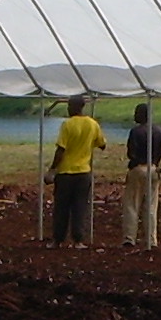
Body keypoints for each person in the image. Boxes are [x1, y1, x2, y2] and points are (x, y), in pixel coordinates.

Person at [49, 96, 107, 246]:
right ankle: (78, 240)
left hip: (66, 173)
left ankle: (58, 240)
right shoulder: (93, 124)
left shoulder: (67, 125)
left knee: (62, 208)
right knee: (80, 207)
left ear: (75, 107)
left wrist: (52, 169)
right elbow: (102, 144)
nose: (68, 109)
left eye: (69, 106)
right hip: (83, 172)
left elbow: (61, 149)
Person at [122, 102, 161, 249]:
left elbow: (131, 153)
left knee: (132, 205)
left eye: (136, 113)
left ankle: (129, 238)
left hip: (138, 169)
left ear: (142, 115)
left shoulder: (135, 132)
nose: (134, 116)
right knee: (151, 207)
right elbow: (160, 152)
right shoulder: (159, 131)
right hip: (153, 169)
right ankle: (151, 240)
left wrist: (134, 163)